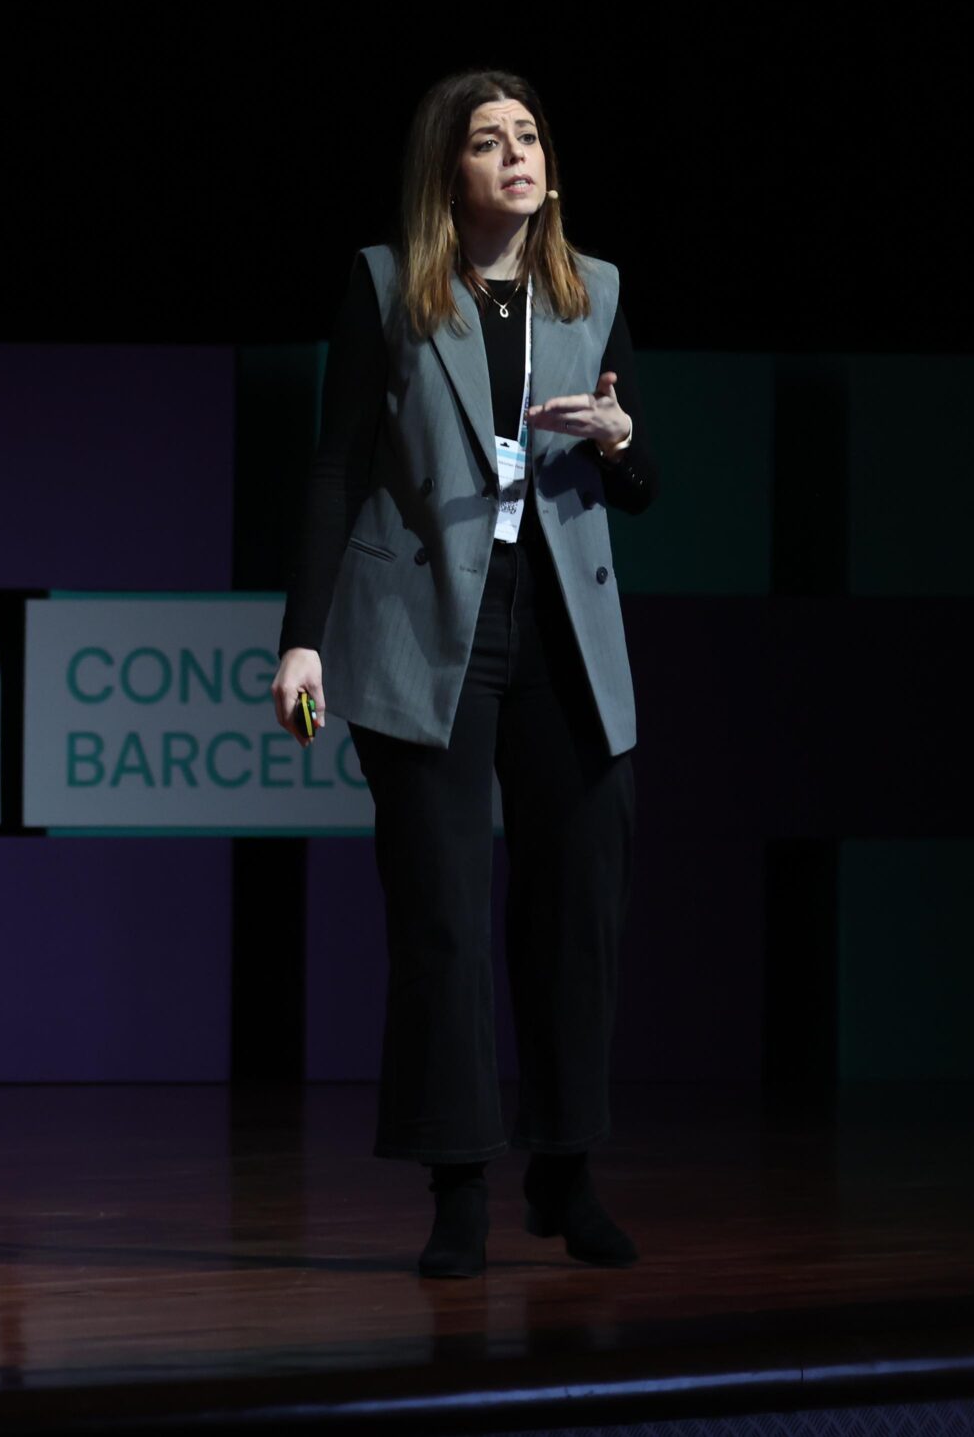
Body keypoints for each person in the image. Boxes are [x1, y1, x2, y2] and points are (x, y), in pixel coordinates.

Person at [270, 68, 655, 1278]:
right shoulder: (390, 286)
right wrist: (302, 635)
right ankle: (456, 1191)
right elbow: (335, 465)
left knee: (574, 918)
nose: (515, 155)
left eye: (529, 135)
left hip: (564, 634)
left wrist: (621, 439)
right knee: (441, 921)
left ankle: (565, 1176)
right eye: (487, 141)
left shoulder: (593, 293)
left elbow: (634, 479)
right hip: (422, 622)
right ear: (450, 170)